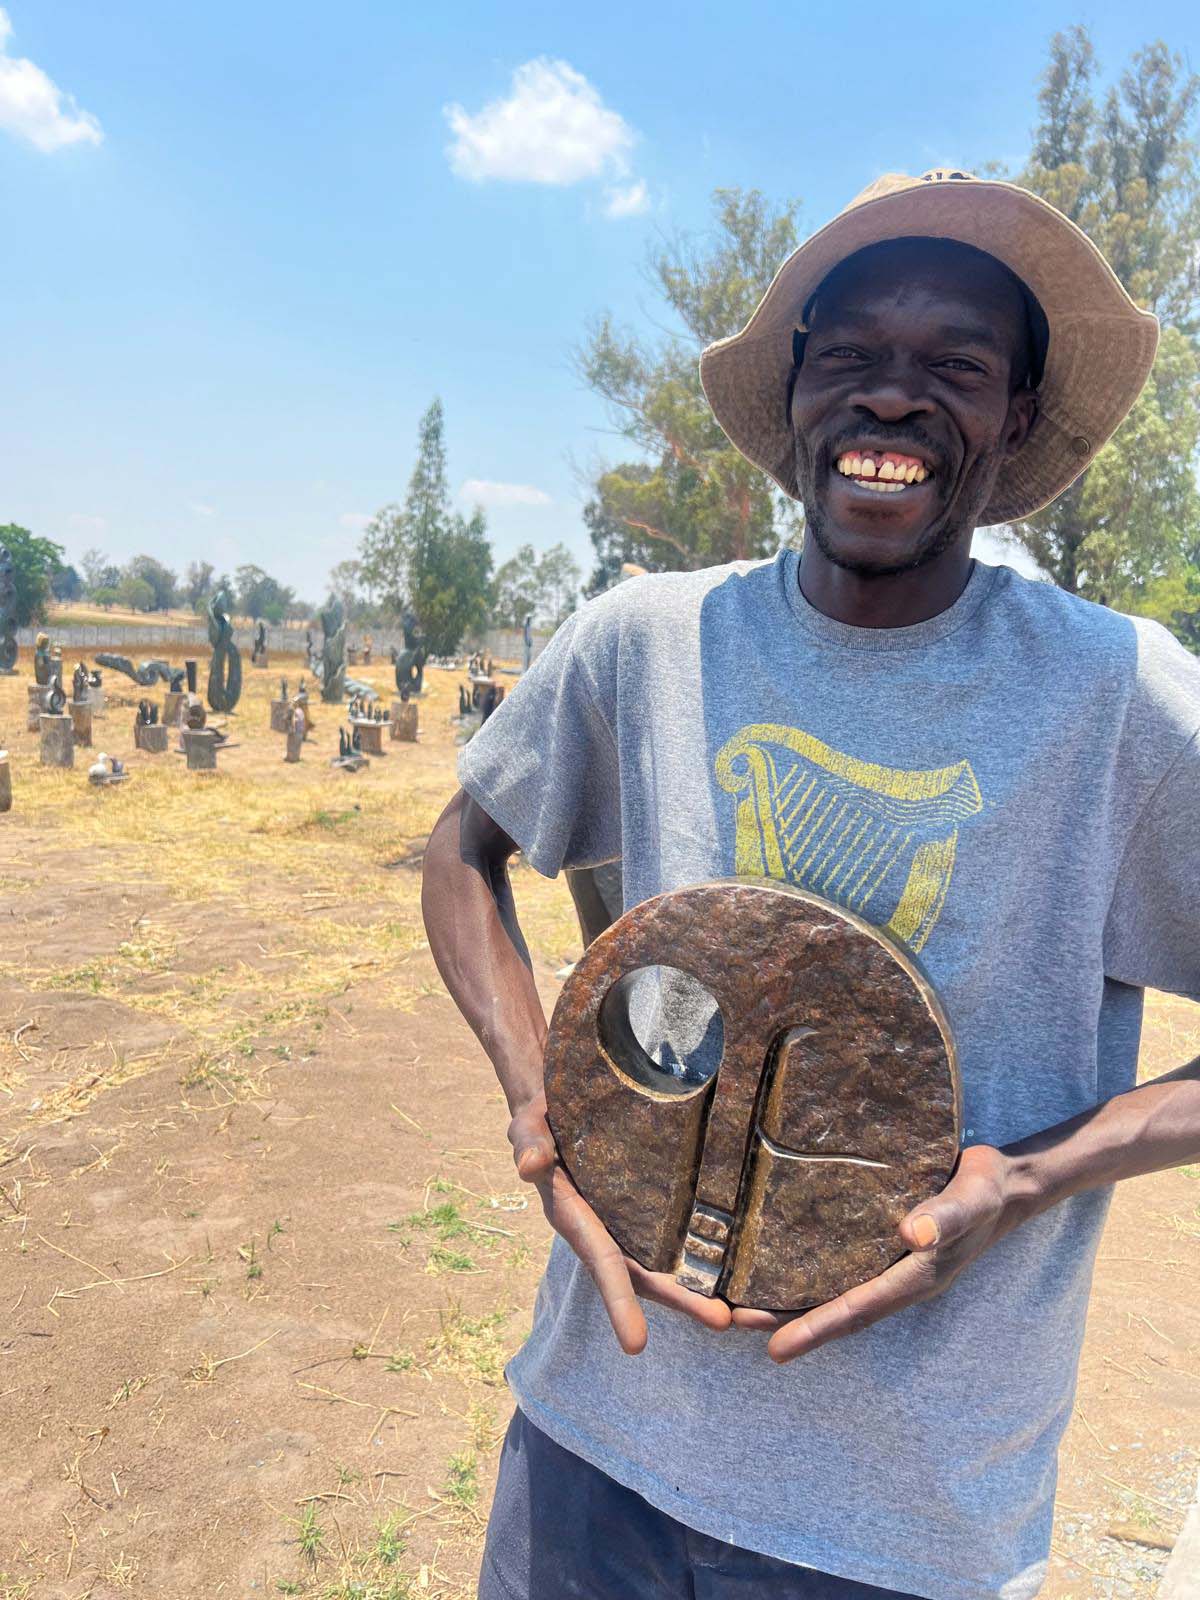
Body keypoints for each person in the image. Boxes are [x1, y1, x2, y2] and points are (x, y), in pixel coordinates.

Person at [420, 170, 1200, 1600]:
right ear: (793, 398)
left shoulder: (1116, 701)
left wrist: (1030, 1176)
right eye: (849, 358)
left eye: (955, 366)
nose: (892, 400)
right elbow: (463, 851)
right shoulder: (646, 643)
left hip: (903, 1521)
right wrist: (537, 1097)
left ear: (1017, 415)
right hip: (594, 1449)